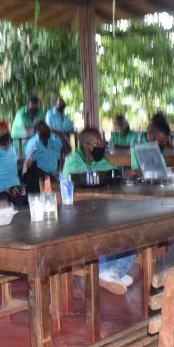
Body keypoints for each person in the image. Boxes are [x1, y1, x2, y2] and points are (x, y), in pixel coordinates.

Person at [60, 130, 134, 293]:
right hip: (77, 217)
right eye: (98, 144)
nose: (102, 146)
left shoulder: (99, 160)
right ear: (86, 145)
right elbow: (82, 182)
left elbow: (112, 172)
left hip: (97, 210)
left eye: (102, 143)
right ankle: (109, 271)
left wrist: (124, 173)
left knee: (132, 226)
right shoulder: (73, 161)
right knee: (114, 227)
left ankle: (112, 270)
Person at [22, 121, 63, 191]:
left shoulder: (53, 141)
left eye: (46, 129)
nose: (45, 131)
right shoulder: (33, 145)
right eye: (42, 130)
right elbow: (29, 167)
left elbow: (68, 149)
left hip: (54, 175)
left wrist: (59, 134)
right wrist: (48, 177)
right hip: (37, 178)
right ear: (37, 132)